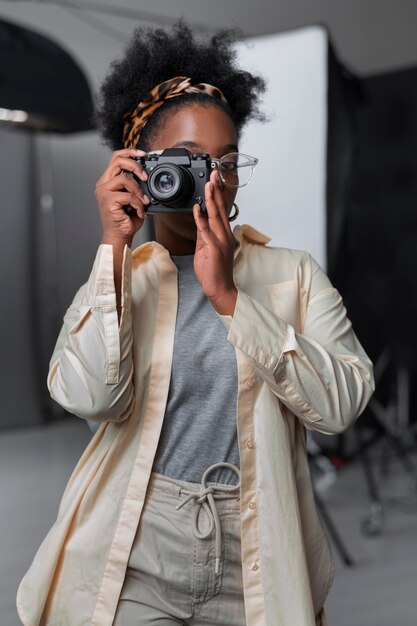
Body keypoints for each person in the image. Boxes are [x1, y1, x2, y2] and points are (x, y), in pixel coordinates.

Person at [17, 21, 374, 626]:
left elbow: (341, 408)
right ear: (143, 166)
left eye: (225, 162)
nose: (211, 179)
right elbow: (90, 399)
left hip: (256, 547)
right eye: (188, 162)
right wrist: (113, 247)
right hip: (139, 542)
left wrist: (231, 296)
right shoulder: (122, 278)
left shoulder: (294, 275)